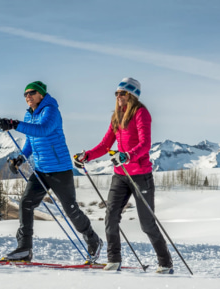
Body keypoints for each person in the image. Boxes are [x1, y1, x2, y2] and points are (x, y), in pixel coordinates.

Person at [0, 81, 102, 262]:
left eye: (32, 93)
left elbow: (43, 130)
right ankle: (24, 248)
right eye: (25, 94)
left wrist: (14, 124)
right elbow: (31, 140)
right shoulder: (29, 115)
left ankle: (93, 239)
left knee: (71, 210)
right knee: (26, 203)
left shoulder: (51, 110)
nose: (28, 96)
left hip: (60, 170)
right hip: (41, 170)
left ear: (41, 94)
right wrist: (20, 158)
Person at [74, 77, 173, 274]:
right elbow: (105, 145)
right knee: (110, 217)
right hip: (120, 174)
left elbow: (145, 144)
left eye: (123, 93)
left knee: (147, 224)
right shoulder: (116, 116)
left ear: (132, 95)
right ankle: (114, 259)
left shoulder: (141, 113)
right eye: (117, 93)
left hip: (140, 174)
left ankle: (165, 262)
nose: (118, 97)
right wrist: (87, 156)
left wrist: (128, 155)